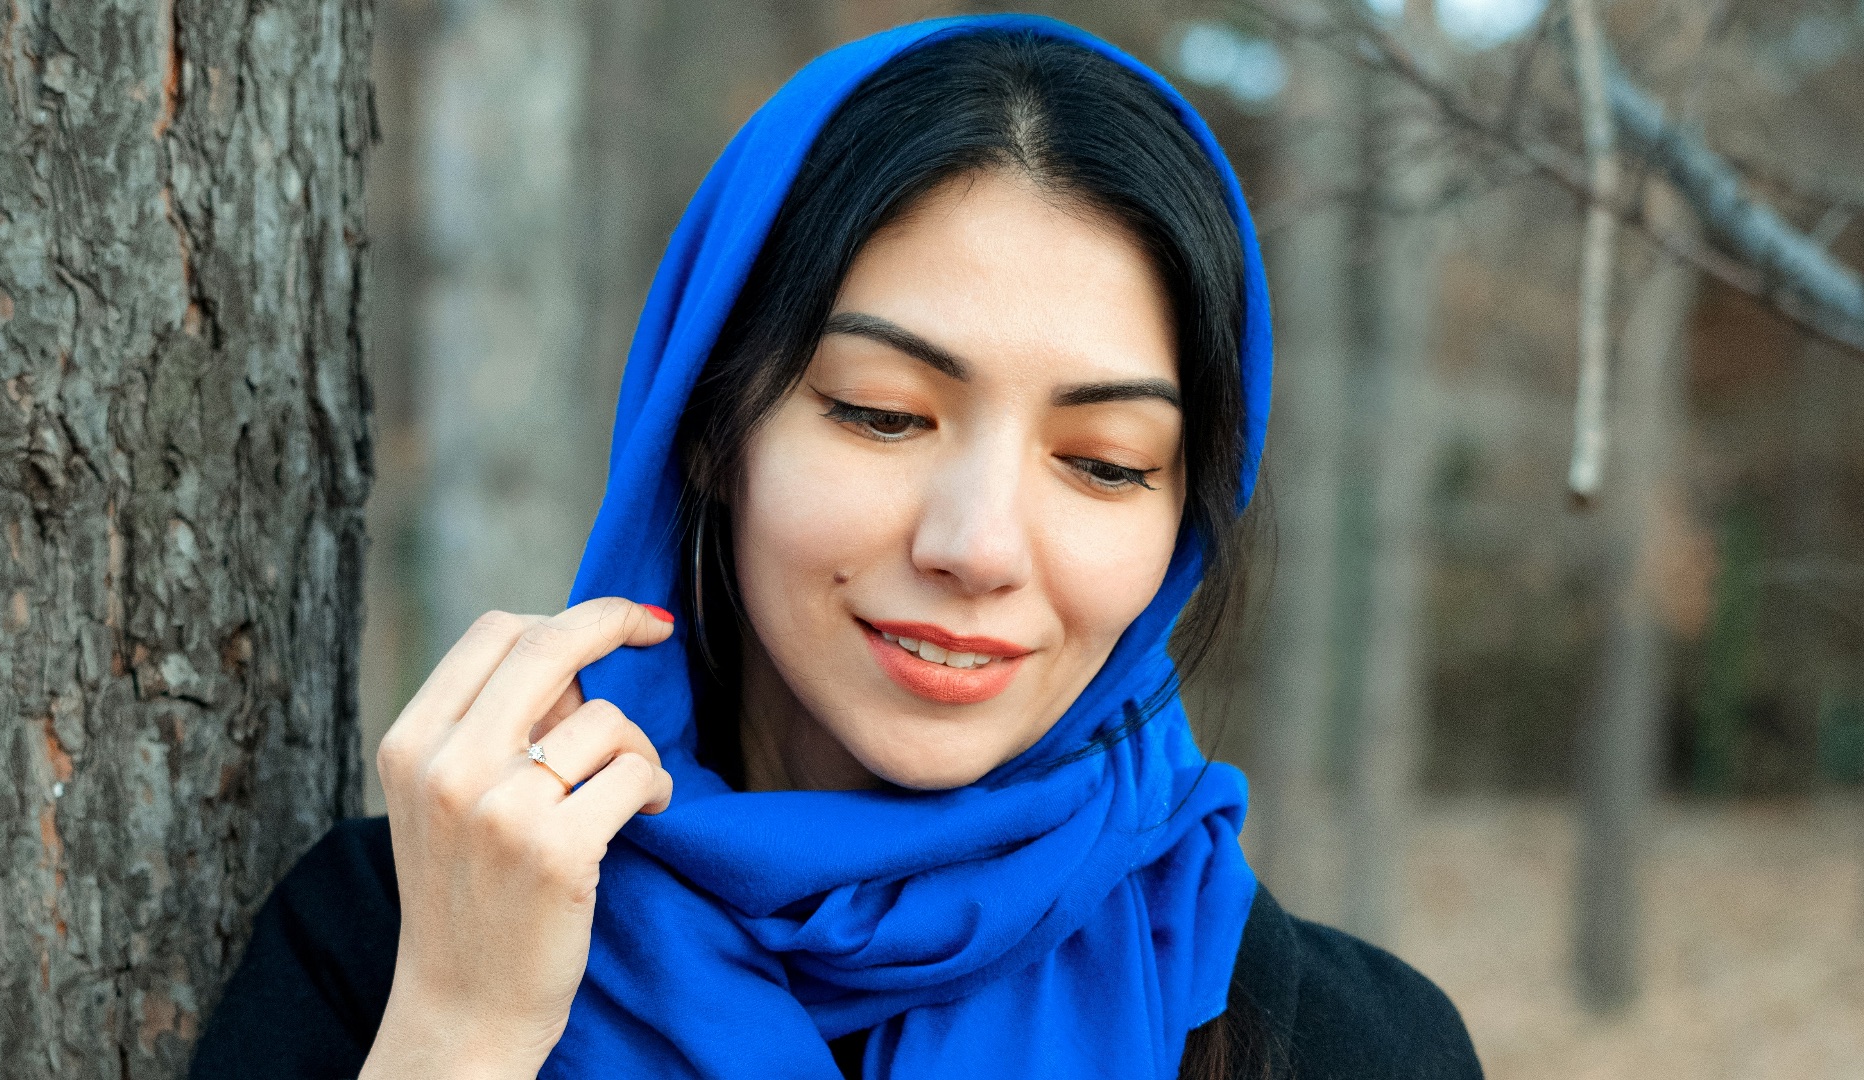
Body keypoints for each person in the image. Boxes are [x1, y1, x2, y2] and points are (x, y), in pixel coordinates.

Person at [190, 16, 1482, 1080]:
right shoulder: (401, 936)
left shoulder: (1345, 1044)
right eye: (880, 413)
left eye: (1104, 463)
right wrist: (461, 1035)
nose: (978, 545)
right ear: (707, 422)